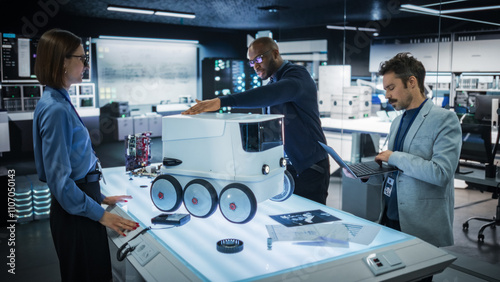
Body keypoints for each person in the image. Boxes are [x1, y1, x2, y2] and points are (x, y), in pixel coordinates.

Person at [33, 29, 138, 282]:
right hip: (76, 218)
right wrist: (102, 215)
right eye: (81, 58)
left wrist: (98, 196)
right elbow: (60, 181)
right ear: (62, 61)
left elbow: (72, 164)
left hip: (81, 203)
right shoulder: (56, 109)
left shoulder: (57, 99)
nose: (85, 64)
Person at [182, 37, 330, 204]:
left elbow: (268, 94)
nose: (255, 66)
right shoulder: (275, 80)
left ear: (275, 54)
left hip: (309, 168)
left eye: (259, 59)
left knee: (312, 222)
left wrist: (221, 102)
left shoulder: (297, 75)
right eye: (251, 62)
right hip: (287, 168)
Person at [348, 52, 461, 249]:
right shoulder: (397, 121)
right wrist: (366, 175)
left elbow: (441, 173)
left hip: (420, 225)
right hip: (389, 219)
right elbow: (396, 172)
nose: (387, 95)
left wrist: (395, 156)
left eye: (391, 88)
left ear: (411, 82)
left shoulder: (444, 120)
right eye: (385, 89)